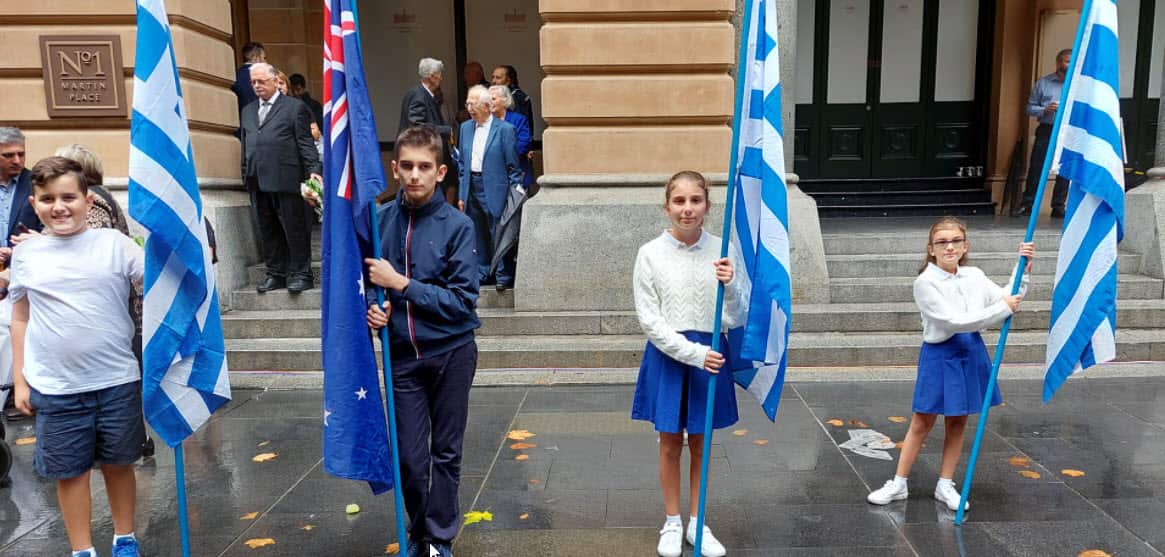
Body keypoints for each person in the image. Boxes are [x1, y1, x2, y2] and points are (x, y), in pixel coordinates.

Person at [10, 156, 146, 557]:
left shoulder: (115, 245)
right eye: (47, 198)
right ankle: (81, 549)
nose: (59, 206)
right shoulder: (28, 255)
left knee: (119, 464)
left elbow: (157, 283)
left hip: (116, 380)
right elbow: (20, 316)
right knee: (69, 472)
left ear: (89, 200)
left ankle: (125, 538)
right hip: (57, 387)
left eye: (68, 196)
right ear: (34, 204)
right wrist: (21, 379)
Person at [866, 217, 1035, 512]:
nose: (949, 247)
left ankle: (945, 484)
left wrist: (1023, 268)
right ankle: (898, 483)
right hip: (940, 354)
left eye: (955, 241)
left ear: (965, 245)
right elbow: (954, 322)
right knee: (922, 420)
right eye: (942, 242)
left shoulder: (974, 275)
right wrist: (1001, 309)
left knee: (957, 421)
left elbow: (1008, 297)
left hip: (971, 352)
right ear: (931, 249)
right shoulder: (925, 283)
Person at [365, 126, 480, 557]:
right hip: (402, 357)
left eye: (424, 167)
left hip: (451, 352)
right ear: (394, 169)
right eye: (407, 166)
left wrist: (401, 284)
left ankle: (439, 538)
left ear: (441, 172)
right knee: (411, 459)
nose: (415, 175)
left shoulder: (459, 226)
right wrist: (373, 313)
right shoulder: (379, 223)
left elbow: (462, 302)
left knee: (445, 452)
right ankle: (418, 530)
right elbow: (366, 290)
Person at [633, 171, 739, 557]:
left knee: (702, 441)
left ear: (707, 206)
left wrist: (733, 285)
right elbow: (650, 320)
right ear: (667, 207)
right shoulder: (649, 253)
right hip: (672, 356)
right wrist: (693, 354)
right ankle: (673, 520)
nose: (687, 209)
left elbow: (735, 314)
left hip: (711, 353)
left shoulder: (723, 250)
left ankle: (698, 520)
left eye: (695, 200)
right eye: (679, 201)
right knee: (669, 443)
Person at [240, 63, 322, 294]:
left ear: (275, 81)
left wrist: (314, 170)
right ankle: (276, 273)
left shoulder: (295, 108)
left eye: (262, 81)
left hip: (287, 178)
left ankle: (301, 274)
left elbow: (306, 144)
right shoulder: (247, 111)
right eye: (253, 82)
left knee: (294, 228)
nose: (257, 86)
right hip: (258, 180)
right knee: (268, 229)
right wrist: (245, 171)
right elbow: (246, 143)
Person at [457, 86, 522, 285]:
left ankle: (503, 274)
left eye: (473, 103)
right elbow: (461, 165)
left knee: (498, 231)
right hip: (472, 186)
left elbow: (513, 166)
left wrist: (515, 193)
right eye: (467, 103)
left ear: (487, 106)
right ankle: (484, 273)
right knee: (477, 232)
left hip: (496, 187)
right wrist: (461, 195)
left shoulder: (504, 130)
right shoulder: (465, 128)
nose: (469, 107)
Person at [0, 127, 43, 423]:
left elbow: (49, 225)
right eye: (8, 155)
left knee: (12, 330)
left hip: (23, 272)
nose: (17, 160)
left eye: (21, 154)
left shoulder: (35, 184)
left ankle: (14, 393)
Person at [487, 85, 533, 290]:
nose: (490, 103)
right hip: (494, 183)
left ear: (504, 101)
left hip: (517, 181)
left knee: (515, 228)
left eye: (494, 99)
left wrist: (502, 150)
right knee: (497, 227)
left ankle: (514, 271)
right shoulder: (486, 124)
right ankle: (499, 273)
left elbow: (524, 143)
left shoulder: (518, 120)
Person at [1017, 49, 1072, 218]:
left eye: (1071, 62)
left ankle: (1058, 206)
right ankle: (1028, 204)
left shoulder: (1078, 85)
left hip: (1067, 131)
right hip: (1047, 129)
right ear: (1058, 63)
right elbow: (1029, 108)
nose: (1067, 65)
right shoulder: (1043, 83)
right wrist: (1045, 109)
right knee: (1037, 167)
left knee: (1064, 169)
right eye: (1065, 61)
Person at [399, 58, 457, 203]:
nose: (441, 78)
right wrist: (445, 130)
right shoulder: (419, 95)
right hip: (419, 151)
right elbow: (417, 125)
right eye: (439, 74)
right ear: (432, 76)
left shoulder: (422, 93)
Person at [231, 42, 266, 136]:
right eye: (263, 58)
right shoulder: (263, 77)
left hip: (241, 131)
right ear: (256, 58)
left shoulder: (234, 76)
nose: (265, 62)